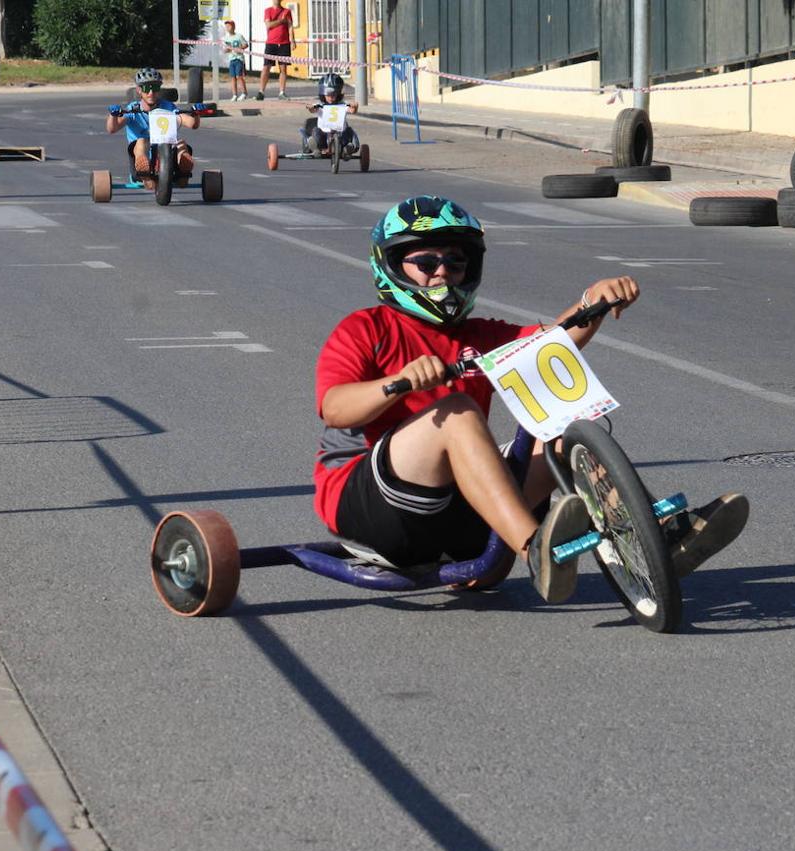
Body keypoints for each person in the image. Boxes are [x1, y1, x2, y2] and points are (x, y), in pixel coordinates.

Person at [313, 195, 749, 604]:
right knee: (458, 412)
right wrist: (399, 382)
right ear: (391, 267)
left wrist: (593, 302)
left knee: (560, 431)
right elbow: (335, 408)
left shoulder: (479, 335)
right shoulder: (366, 328)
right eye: (426, 263)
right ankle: (532, 546)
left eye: (455, 262)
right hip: (373, 509)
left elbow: (549, 347)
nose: (442, 274)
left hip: (452, 517)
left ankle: (658, 540)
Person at [105, 67, 201, 184]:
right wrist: (113, 115)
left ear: (159, 89)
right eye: (146, 88)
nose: (151, 93)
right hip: (141, 159)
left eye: (155, 88)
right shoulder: (133, 109)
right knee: (142, 141)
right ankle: (143, 167)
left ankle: (183, 168)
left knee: (181, 143)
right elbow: (112, 129)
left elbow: (192, 124)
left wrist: (195, 114)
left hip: (168, 158)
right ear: (139, 90)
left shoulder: (168, 107)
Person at [304, 72, 358, 158]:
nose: (330, 97)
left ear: (338, 93)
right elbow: (313, 109)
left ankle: (346, 149)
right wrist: (310, 107)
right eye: (328, 94)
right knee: (316, 131)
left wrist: (355, 107)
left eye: (333, 94)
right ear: (323, 94)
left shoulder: (343, 104)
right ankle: (316, 148)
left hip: (339, 132)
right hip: (324, 133)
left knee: (349, 131)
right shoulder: (320, 105)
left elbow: (352, 110)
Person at [256, 0, 291, 101]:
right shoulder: (268, 10)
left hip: (284, 43)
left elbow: (290, 26)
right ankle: (261, 91)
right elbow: (268, 25)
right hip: (271, 43)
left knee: (283, 68)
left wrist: (292, 41)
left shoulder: (287, 11)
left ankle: (282, 92)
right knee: (266, 67)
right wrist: (280, 21)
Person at [221, 19, 248, 101]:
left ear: (233, 27)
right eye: (226, 26)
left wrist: (239, 48)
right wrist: (226, 50)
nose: (227, 28)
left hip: (239, 58)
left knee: (239, 76)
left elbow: (245, 44)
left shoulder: (239, 36)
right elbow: (225, 49)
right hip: (231, 59)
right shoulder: (226, 38)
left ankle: (244, 93)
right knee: (233, 77)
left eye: (229, 26)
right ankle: (234, 94)